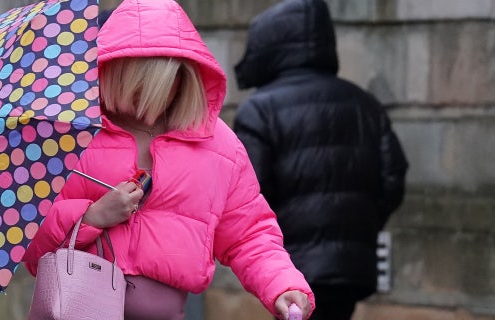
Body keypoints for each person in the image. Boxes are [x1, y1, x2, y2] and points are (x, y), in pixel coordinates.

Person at [23, 0, 315, 319]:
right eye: (138, 85)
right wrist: (91, 217)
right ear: (110, 71)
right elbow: (28, 234)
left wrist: (283, 285)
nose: (149, 98)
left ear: (182, 77)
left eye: (161, 84)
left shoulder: (218, 144)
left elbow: (249, 233)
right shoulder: (67, 133)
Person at [232, 0, 408, 319]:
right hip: (352, 265)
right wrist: (360, 224)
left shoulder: (258, 110)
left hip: (288, 265)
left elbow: (248, 193)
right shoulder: (365, 105)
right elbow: (393, 178)